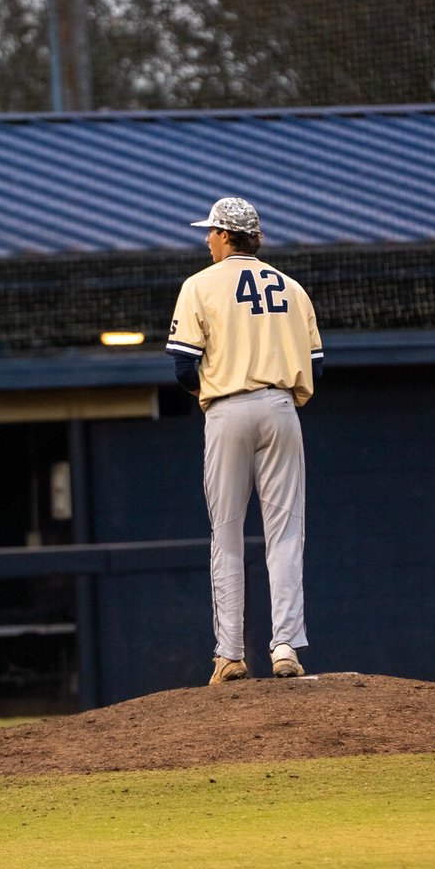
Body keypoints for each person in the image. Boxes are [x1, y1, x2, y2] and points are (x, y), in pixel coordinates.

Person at [166, 196, 323, 685]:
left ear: (224, 235)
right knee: (286, 533)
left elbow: (183, 367)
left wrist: (216, 392)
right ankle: (285, 647)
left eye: (210, 231)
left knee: (227, 532)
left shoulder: (199, 284)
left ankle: (230, 655)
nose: (206, 239)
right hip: (281, 409)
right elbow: (316, 366)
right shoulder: (293, 288)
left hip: (227, 408)